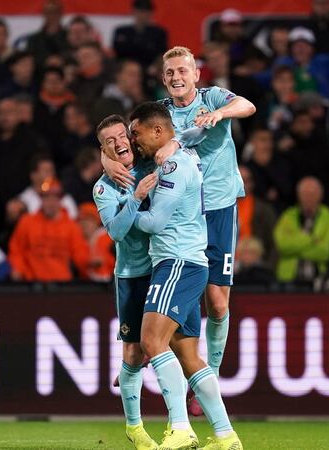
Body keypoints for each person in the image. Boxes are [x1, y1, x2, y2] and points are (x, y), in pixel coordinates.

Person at [104, 46, 255, 387]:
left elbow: (248, 105)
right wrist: (107, 161)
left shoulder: (213, 98)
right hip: (177, 215)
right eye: (170, 72)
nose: (176, 77)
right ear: (163, 79)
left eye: (182, 71)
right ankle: (141, 351)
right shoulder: (160, 115)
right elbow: (124, 142)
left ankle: (209, 373)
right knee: (165, 286)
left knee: (216, 304)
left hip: (216, 209)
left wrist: (220, 114)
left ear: (196, 75)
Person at [128, 102, 242, 450]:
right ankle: (226, 436)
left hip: (176, 262)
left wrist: (129, 206)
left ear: (159, 131)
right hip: (187, 262)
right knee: (190, 357)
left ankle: (180, 428)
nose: (134, 142)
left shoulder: (175, 165)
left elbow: (154, 222)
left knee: (151, 340)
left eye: (137, 134)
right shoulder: (181, 156)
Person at [93, 114, 158, 449]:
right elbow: (116, 232)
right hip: (132, 273)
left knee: (171, 344)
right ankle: (135, 427)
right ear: (102, 150)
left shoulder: (151, 162)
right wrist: (134, 198)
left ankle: (183, 424)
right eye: (109, 143)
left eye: (121, 136)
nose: (118, 144)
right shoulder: (103, 187)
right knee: (132, 352)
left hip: (165, 264)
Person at [7, 177, 89, 282]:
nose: (50, 202)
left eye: (54, 197)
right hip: (32, 285)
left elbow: (80, 254)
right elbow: (16, 251)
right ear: (41, 199)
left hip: (61, 286)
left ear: (60, 200)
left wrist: (90, 262)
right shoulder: (27, 222)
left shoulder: (71, 226)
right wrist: (18, 269)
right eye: (46, 197)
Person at [273, 176, 329, 282]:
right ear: (298, 195)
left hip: (319, 279)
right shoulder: (287, 217)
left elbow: (326, 252)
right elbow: (282, 246)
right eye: (305, 194)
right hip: (288, 279)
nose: (308, 197)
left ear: (320, 195)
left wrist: (295, 247)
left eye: (312, 194)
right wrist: (312, 239)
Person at [112, 0, 168, 69]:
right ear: (133, 11)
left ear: (151, 14)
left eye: (146, 12)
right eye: (140, 11)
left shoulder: (158, 33)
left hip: (149, 69)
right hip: (124, 69)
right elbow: (117, 52)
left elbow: (161, 55)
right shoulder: (121, 31)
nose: (142, 15)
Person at [77, 202, 115, 282]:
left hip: (107, 285)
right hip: (87, 284)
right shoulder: (79, 239)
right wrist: (89, 262)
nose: (85, 224)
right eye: (82, 221)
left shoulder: (106, 236)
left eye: (89, 220)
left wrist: (103, 261)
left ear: (96, 221)